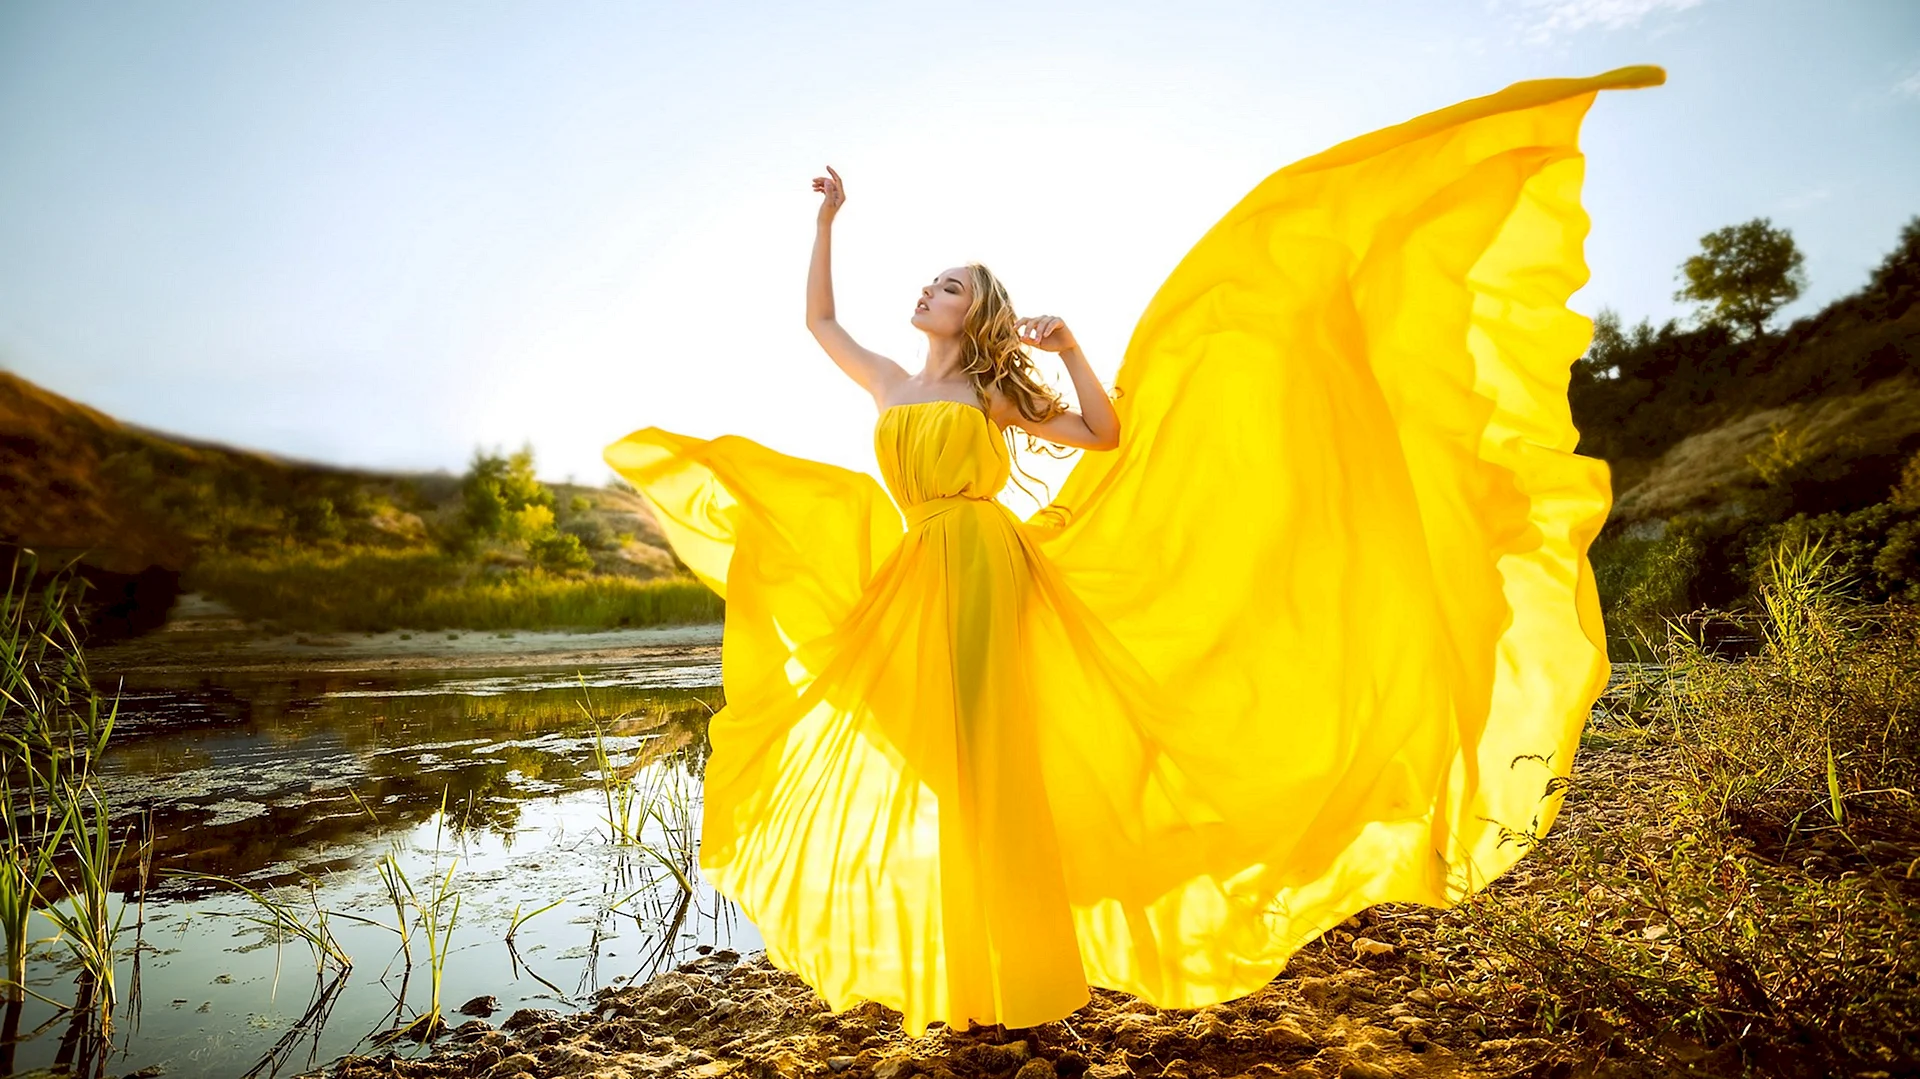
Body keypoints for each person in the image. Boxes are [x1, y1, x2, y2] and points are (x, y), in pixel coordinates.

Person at [605, 65, 1665, 1040]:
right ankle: (977, 951)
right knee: (936, 757)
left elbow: (1103, 437)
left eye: (953, 286)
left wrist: (1068, 350)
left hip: (985, 565)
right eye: (930, 281)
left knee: (991, 756)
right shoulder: (889, 380)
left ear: (981, 316)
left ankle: (1017, 966)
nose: (931, 291)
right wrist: (829, 219)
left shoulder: (993, 390)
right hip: (912, 570)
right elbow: (818, 318)